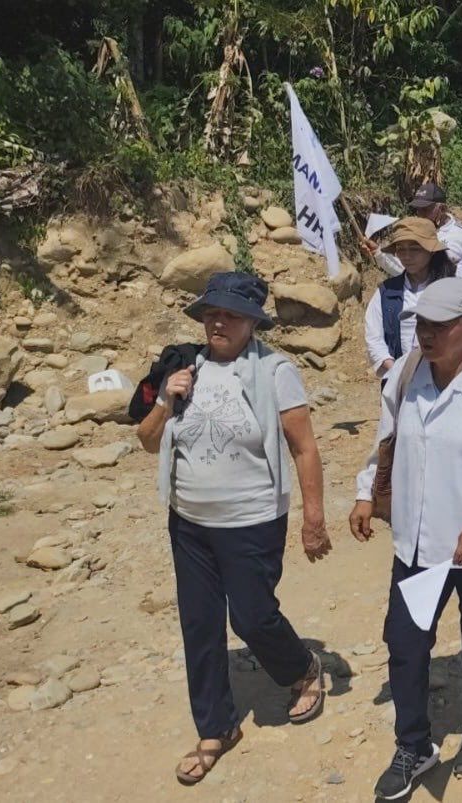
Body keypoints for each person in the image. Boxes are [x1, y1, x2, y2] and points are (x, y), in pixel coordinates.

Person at [136, 272, 332, 785]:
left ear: (252, 323)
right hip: (190, 522)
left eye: (232, 315)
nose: (219, 321)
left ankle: (302, 669)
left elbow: (304, 447)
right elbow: (147, 441)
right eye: (212, 313)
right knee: (200, 627)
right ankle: (215, 729)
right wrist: (164, 401)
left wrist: (314, 517)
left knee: (252, 617)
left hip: (251, 520)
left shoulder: (274, 371)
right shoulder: (183, 364)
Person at [351, 277, 462, 798]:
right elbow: (383, 442)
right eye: (421, 325)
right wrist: (367, 493)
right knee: (406, 643)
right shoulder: (406, 376)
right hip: (419, 543)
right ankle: (414, 746)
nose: (426, 335)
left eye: (439, 326)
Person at [364, 217, 457, 380]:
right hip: (398, 381)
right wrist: (397, 372)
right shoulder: (386, 292)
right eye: (401, 249)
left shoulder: (452, 289)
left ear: (431, 250)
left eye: (415, 249)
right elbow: (374, 338)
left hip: (446, 381)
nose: (406, 256)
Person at [367, 182, 462, 275]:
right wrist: (378, 252)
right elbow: (409, 269)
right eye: (418, 210)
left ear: (442, 208)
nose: (420, 215)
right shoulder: (418, 234)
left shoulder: (460, 235)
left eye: (425, 210)